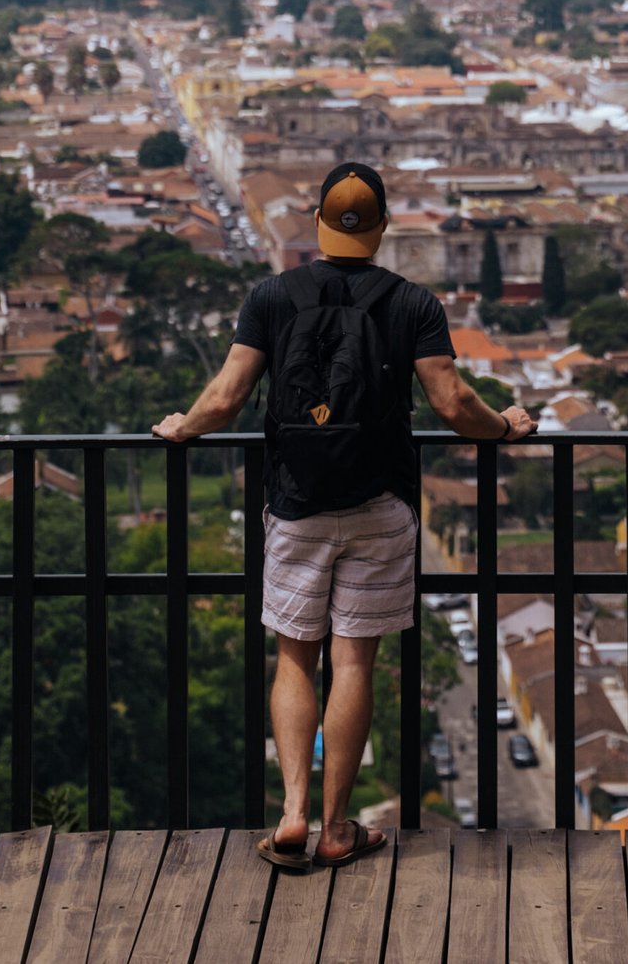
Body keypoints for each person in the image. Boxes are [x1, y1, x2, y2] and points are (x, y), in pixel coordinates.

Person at [153, 160, 535, 871]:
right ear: (383, 229)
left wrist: (184, 427)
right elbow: (453, 403)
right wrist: (506, 427)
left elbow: (229, 393)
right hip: (380, 501)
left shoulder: (272, 296)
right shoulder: (412, 303)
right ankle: (335, 826)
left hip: (295, 500)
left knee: (295, 654)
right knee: (353, 658)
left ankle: (292, 813)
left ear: (321, 225)